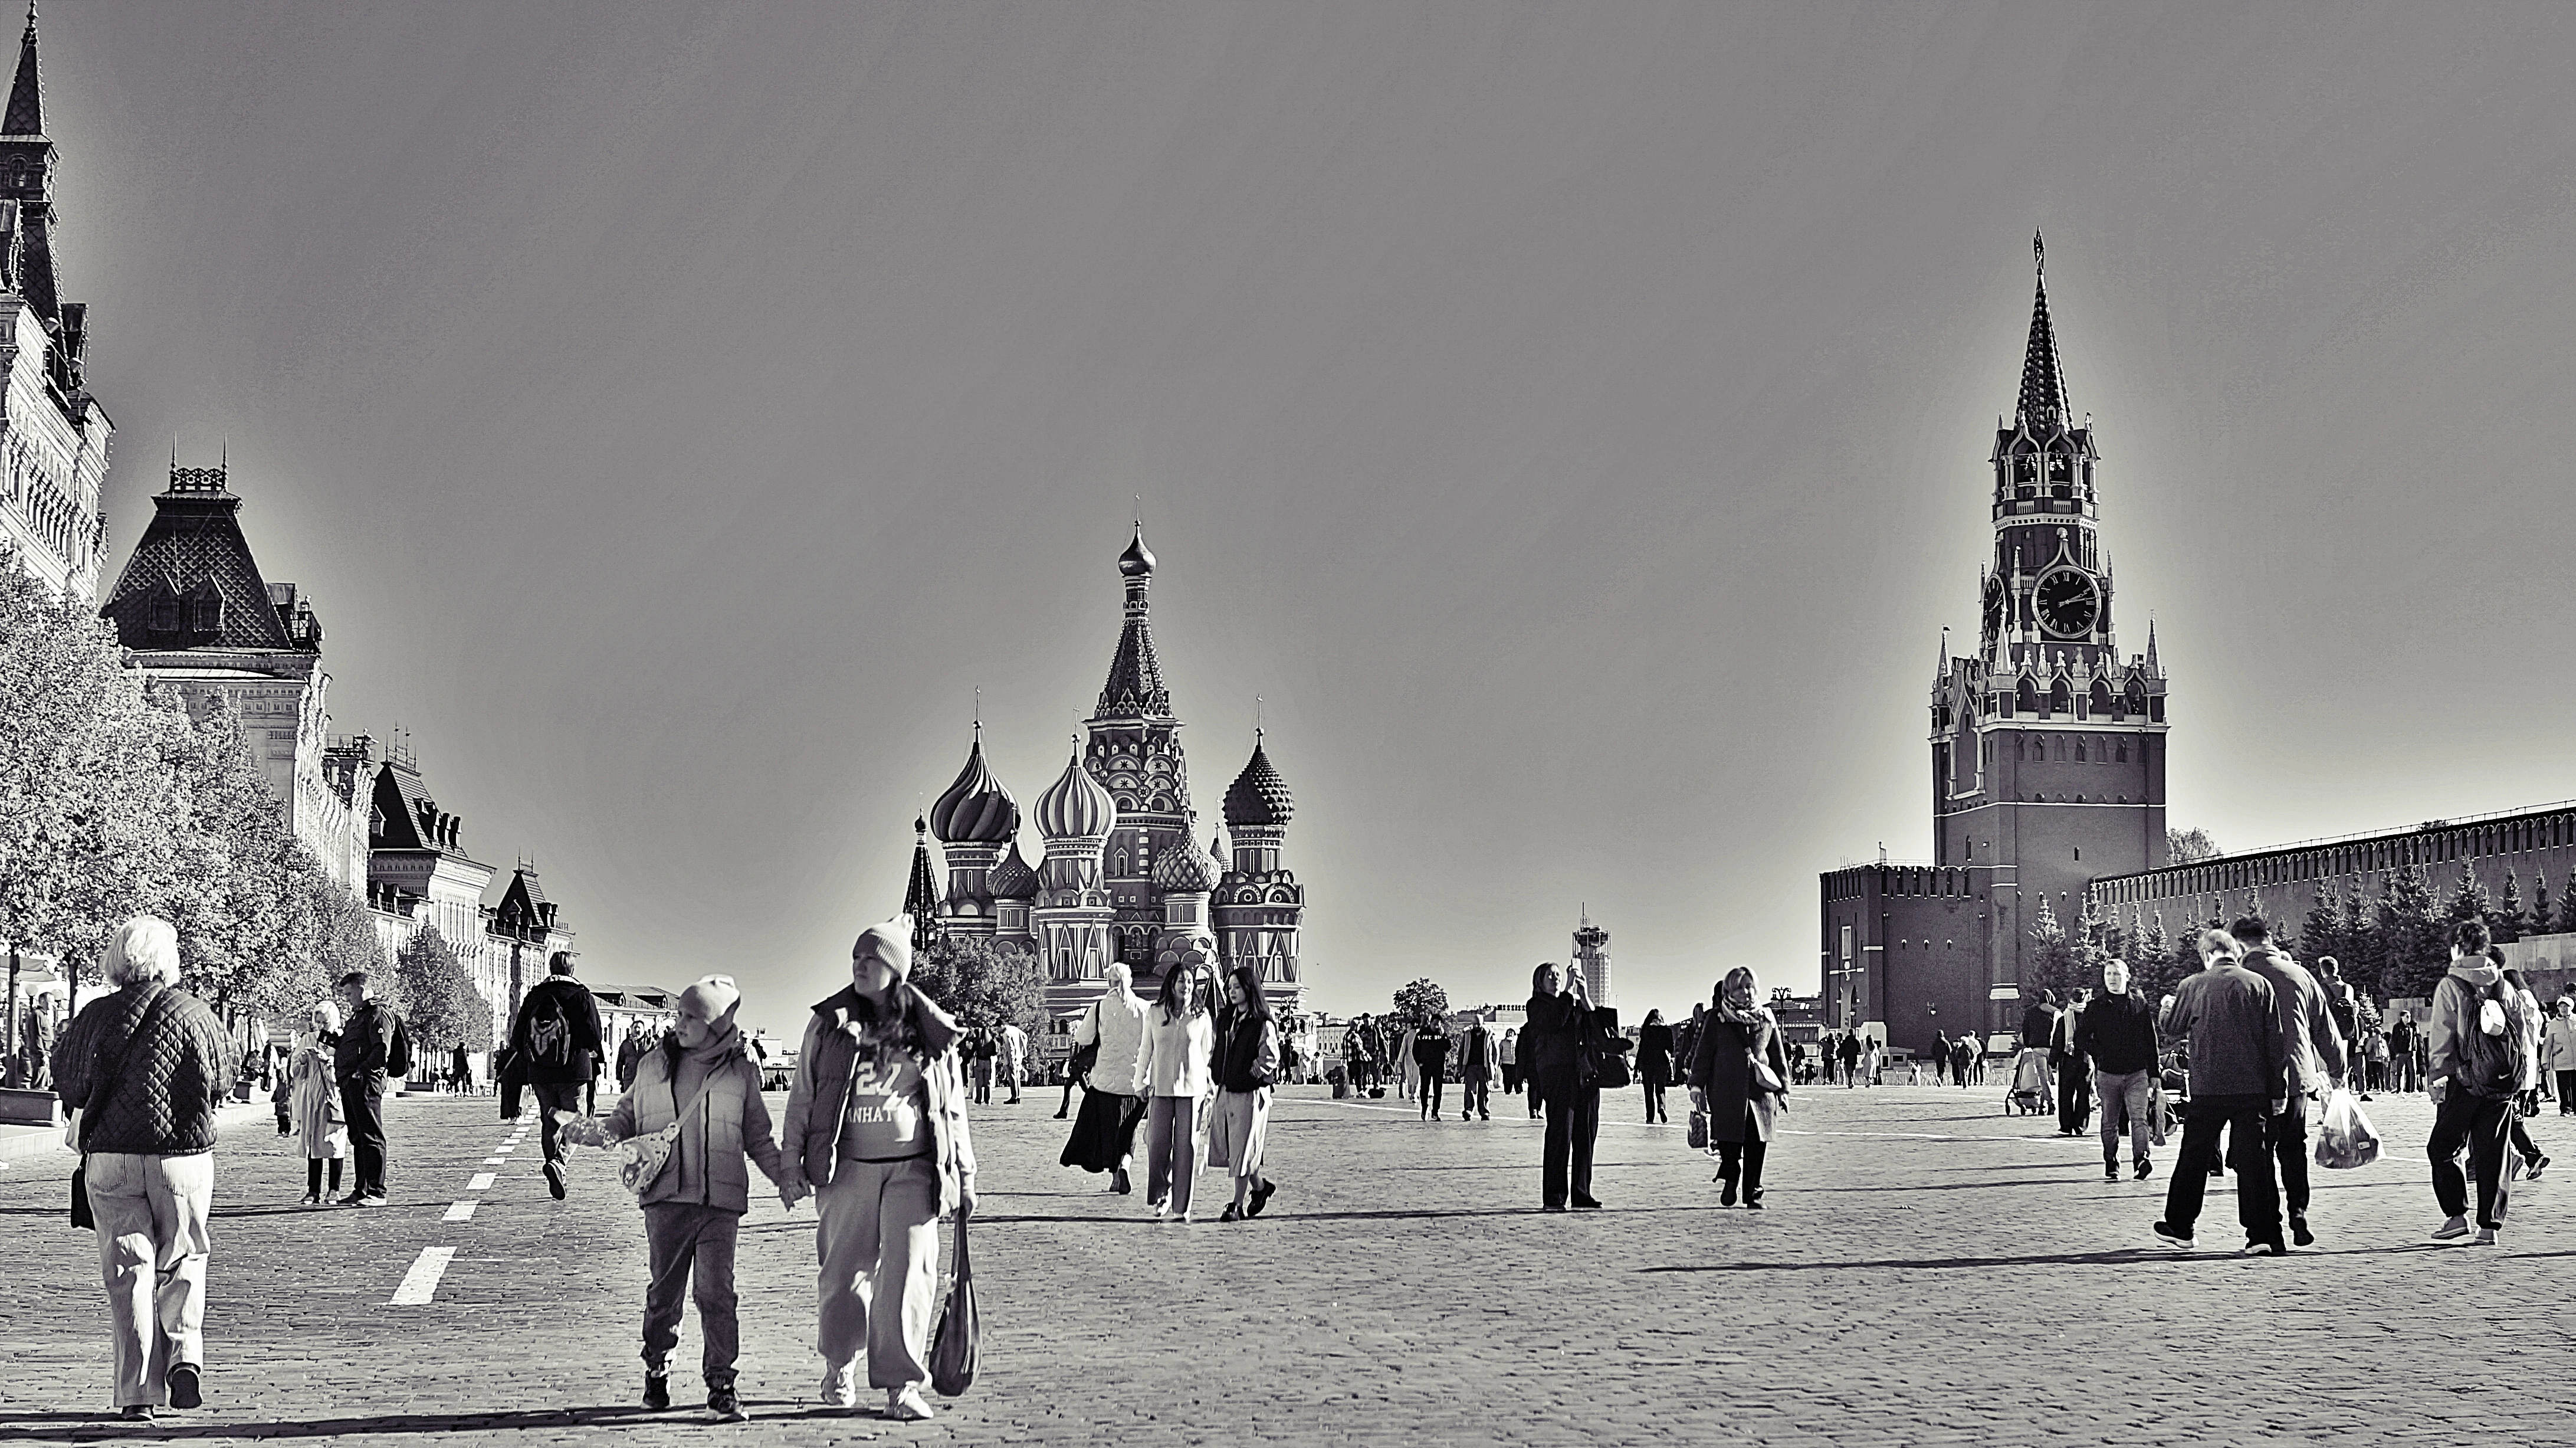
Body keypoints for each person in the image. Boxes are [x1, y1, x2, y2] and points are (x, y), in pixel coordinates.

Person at [779, 916, 976, 1423]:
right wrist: (790, 1162)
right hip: (848, 1170)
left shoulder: (927, 1026)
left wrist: (966, 1175)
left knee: (910, 1278)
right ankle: (840, 1364)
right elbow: (802, 1095)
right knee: (844, 1278)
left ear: (895, 968)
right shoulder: (829, 1023)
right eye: (856, 958)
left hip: (914, 1171)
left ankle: (902, 1386)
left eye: (871, 958)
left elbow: (952, 1106)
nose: (859, 965)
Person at [560, 975, 782, 1422]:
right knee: (665, 1295)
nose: (680, 1023)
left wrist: (786, 1177)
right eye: (680, 1014)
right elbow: (626, 1118)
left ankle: (722, 1385)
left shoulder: (739, 1072)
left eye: (692, 1017)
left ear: (717, 1025)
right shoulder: (653, 1066)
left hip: (720, 1202)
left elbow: (758, 1136)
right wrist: (590, 1132)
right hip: (665, 1200)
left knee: (717, 1294)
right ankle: (657, 1367)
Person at [50, 916, 231, 1422]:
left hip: (111, 1159)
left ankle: (136, 1394)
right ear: (169, 961)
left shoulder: (94, 1015)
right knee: (187, 1255)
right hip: (182, 1157)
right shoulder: (196, 1013)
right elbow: (225, 1077)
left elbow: (69, 1080)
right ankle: (185, 1355)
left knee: (128, 1270)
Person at [2151, 928, 2288, 1256]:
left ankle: (2181, 1226)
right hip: (2251, 1087)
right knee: (2255, 1160)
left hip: (2208, 1086)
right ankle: (2264, 1234)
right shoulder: (2259, 985)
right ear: (2235, 952)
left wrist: (2167, 1007)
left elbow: (2172, 1030)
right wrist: (2277, 1090)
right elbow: (2275, 1043)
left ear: (2206, 954)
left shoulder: (2192, 985)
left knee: (2195, 1156)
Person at [2232, 915, 2347, 1249]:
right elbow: (2325, 1029)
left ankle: (2266, 1230)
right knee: (2292, 1147)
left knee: (2256, 1154)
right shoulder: (2301, 974)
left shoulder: (2241, 978)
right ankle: (2298, 1210)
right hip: (2298, 1077)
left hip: (2252, 1080)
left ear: (2240, 945)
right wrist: (2338, 1070)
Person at [504, 951, 606, 1203]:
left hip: (540, 1070)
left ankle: (552, 1164)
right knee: (576, 1119)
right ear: (571, 970)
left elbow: (517, 1037)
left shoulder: (534, 995)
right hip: (574, 1070)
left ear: (550, 968)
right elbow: (595, 1035)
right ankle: (559, 1163)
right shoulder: (581, 995)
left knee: (549, 1122)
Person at [1688, 966, 1794, 1208]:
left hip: (1760, 1094)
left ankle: (1754, 1194)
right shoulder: (1717, 1019)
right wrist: (1696, 1085)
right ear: (1729, 991)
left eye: (1750, 986)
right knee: (1728, 1143)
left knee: (1757, 1145)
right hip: (1725, 1093)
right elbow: (1703, 1055)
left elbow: (1777, 1056)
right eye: (1740, 987)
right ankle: (1731, 1174)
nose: (1746, 992)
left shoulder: (1766, 1018)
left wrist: (1783, 1090)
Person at [1135, 962, 1216, 1223]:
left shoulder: (1201, 1016)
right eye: (1181, 982)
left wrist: (1206, 1083)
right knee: (1157, 1144)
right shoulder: (1155, 1013)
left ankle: (1182, 1205)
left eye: (1190, 982)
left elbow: (1205, 1054)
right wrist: (1140, 1082)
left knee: (1186, 1148)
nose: (1187, 986)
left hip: (1192, 1091)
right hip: (1161, 1088)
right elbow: (1147, 1049)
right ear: (1172, 985)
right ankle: (1161, 1194)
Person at [1063, 963, 1151, 1192]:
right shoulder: (1145, 1008)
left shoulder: (1099, 1007)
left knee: (1109, 1131)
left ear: (1109, 982)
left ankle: (1115, 1178)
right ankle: (1124, 1166)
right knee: (1128, 1130)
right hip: (1137, 1083)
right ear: (1130, 981)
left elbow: (1083, 1038)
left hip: (1104, 1083)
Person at [1522, 962, 1601, 1211]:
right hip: (1557, 1077)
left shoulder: (1572, 1003)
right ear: (1540, 981)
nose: (1556, 978)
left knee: (1585, 1135)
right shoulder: (1537, 1006)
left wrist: (1585, 995)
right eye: (1551, 975)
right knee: (1560, 1134)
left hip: (1585, 1075)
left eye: (1559, 975)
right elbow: (1555, 1021)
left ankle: (1581, 1192)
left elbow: (1597, 1027)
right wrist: (1568, 990)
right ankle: (1554, 1196)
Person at [2076, 959, 2161, 1182]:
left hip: (2137, 1073)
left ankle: (2141, 1160)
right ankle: (2111, 1162)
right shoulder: (2096, 1007)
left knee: (2139, 1119)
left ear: (2127, 976)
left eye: (2117, 974)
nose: (2113, 979)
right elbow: (2081, 1038)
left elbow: (2150, 1041)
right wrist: (2100, 1052)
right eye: (2108, 975)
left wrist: (2155, 1074)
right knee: (2109, 1121)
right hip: (2109, 1073)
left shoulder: (2139, 1005)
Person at [1209, 964, 1280, 1222]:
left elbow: (1270, 1057)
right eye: (1229, 987)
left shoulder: (1261, 1023)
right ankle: (1260, 1188)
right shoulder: (1227, 1019)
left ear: (1249, 989)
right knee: (1234, 1148)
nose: (1232, 992)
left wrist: (1251, 1073)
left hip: (1250, 1094)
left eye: (1237, 987)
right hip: (1227, 1089)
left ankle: (1236, 1205)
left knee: (1242, 1148)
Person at [332, 970, 398, 1206]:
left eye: (349, 994)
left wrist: (363, 1070)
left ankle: (377, 1191)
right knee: (358, 1137)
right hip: (350, 1081)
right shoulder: (359, 1015)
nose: (347, 999)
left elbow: (381, 1049)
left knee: (371, 1136)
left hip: (365, 1082)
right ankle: (361, 1189)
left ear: (361, 989)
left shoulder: (377, 1013)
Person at [288, 1002, 347, 1205]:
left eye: (326, 1022)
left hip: (333, 1097)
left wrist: (328, 1061)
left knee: (334, 1143)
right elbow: (295, 1070)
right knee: (313, 1142)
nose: (321, 1027)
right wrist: (303, 1061)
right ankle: (313, 1190)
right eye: (318, 1022)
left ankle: (334, 1190)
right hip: (311, 1097)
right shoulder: (308, 1039)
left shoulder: (341, 1040)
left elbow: (345, 1069)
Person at [2050, 990, 2095, 1136]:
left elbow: (2058, 1040)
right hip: (2085, 1059)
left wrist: (2052, 1061)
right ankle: (2080, 1125)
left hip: (2067, 1060)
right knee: (2083, 1094)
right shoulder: (2089, 1017)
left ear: (2071, 999)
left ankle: (2066, 1125)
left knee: (2066, 1094)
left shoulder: (2064, 1018)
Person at [1636, 1009, 1675, 1124]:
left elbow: (1641, 1049)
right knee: (1660, 1088)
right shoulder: (1667, 1031)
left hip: (1647, 1064)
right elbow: (1671, 1049)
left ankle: (1650, 1118)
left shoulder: (1646, 1030)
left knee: (1648, 1091)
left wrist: (1637, 1067)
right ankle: (1662, 1107)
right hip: (1662, 1063)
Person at [1458, 1014, 1498, 1122]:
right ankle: (1468, 1110)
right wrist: (1460, 1068)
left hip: (1484, 1066)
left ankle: (1484, 1112)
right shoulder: (1467, 1034)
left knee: (1484, 1090)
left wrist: (1494, 1066)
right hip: (1470, 1066)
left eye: (1478, 1024)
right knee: (1469, 1089)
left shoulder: (1489, 1034)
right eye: (1474, 1024)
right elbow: (1461, 1051)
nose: (1476, 1026)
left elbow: (1496, 1052)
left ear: (1482, 1023)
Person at [1413, 1020, 1452, 1121]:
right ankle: (1424, 1107)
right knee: (1424, 1089)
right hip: (1425, 1066)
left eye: (1438, 1025)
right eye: (1434, 1025)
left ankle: (1435, 1112)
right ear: (1430, 1024)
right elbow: (1415, 1049)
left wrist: (1444, 1036)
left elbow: (1448, 1047)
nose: (1436, 1027)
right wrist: (1419, 1062)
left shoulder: (1442, 1035)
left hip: (1438, 1067)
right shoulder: (1422, 1034)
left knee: (1438, 1090)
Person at [2546, 998, 2576, 1118]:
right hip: (2561, 1059)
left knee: (2575, 1085)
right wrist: (2545, 1061)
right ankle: (2565, 1108)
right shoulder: (2553, 1024)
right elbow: (2548, 1044)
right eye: (2561, 1006)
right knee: (2564, 1086)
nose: (2564, 1009)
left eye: (2566, 1006)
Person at [999, 1019, 1028, 1105]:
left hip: (1011, 1059)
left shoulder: (1006, 1034)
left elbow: (1010, 1048)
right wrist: (1022, 1049)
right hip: (1019, 1058)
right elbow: (1025, 1036)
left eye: (997, 1028)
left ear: (1001, 1026)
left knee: (1012, 1079)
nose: (998, 1031)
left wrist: (1011, 1061)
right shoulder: (1015, 1029)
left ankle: (1014, 1097)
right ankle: (1018, 1096)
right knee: (1017, 1078)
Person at [1498, 1026, 1520, 1100]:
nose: (1510, 1034)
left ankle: (1518, 1090)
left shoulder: (1516, 1042)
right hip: (1506, 1062)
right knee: (1507, 1078)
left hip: (1515, 1062)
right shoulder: (1503, 1042)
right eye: (1509, 1032)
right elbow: (1499, 1052)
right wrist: (1499, 1062)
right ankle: (1507, 1090)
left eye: (1512, 1032)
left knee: (1516, 1077)